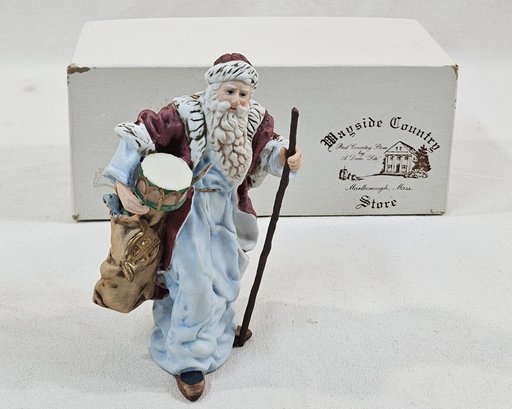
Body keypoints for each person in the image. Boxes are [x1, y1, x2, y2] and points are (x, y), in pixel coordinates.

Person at [103, 53, 303, 401]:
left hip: (226, 210)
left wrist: (286, 156)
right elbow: (139, 134)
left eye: (243, 94)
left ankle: (216, 332)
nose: (236, 101)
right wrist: (122, 181)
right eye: (230, 92)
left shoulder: (254, 120)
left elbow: (268, 150)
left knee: (224, 278)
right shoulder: (184, 114)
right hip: (188, 213)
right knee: (193, 281)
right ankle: (188, 359)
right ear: (214, 88)